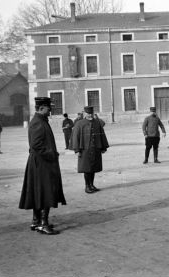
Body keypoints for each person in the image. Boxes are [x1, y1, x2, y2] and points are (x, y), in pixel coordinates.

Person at [19, 97, 66, 234]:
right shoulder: (38, 122)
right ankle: (43, 224)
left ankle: (36, 221)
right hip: (42, 163)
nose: (50, 109)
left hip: (40, 162)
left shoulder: (40, 120)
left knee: (38, 191)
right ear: (41, 108)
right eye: (48, 107)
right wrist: (52, 154)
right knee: (46, 191)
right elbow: (36, 145)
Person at [71, 106, 109, 194]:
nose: (90, 115)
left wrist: (103, 147)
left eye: (91, 113)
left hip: (95, 149)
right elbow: (75, 137)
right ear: (84, 113)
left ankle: (92, 185)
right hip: (84, 150)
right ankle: (87, 186)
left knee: (93, 168)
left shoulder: (97, 123)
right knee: (87, 169)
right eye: (88, 114)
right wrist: (77, 150)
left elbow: (102, 135)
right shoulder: (79, 123)